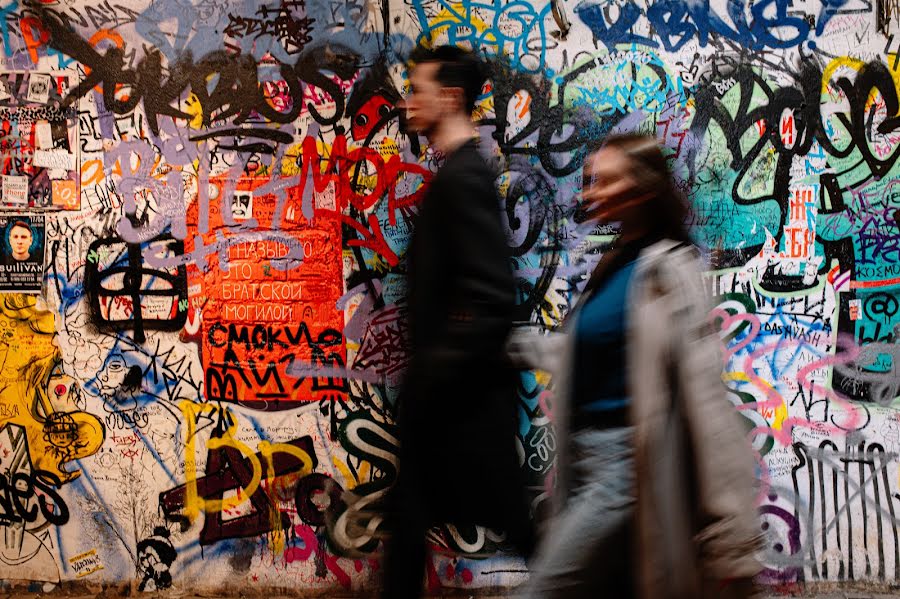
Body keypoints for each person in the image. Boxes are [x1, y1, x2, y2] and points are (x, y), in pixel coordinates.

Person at [508, 134, 761, 599]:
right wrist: (513, 346)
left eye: (604, 181)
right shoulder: (614, 259)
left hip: (623, 466)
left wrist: (732, 534)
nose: (589, 192)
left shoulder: (669, 269)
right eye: (589, 181)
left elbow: (706, 399)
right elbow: (584, 351)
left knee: (542, 590)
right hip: (583, 459)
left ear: (641, 190)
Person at [380, 45, 535, 599]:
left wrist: (433, 372)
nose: (407, 102)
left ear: (449, 98)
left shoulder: (464, 179)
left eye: (416, 89)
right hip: (453, 400)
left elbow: (492, 299)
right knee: (414, 522)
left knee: (519, 530)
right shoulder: (461, 174)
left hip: (457, 403)